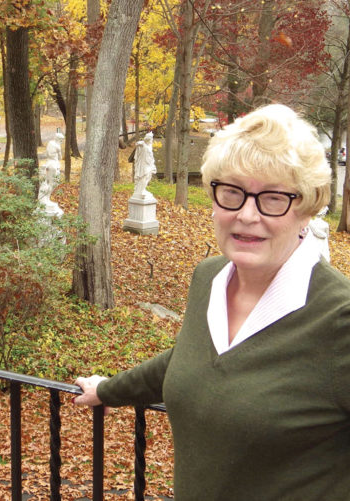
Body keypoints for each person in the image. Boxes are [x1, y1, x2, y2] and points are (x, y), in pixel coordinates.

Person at [74, 104, 350, 500]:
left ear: (306, 207)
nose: (247, 215)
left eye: (273, 198)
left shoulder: (339, 319)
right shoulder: (209, 278)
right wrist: (109, 390)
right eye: (232, 192)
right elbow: (190, 357)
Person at [133, 132, 157, 197]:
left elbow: (151, 156)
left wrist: (153, 163)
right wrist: (140, 143)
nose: (152, 140)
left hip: (149, 164)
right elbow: (138, 143)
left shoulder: (150, 146)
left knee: (148, 177)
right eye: (151, 139)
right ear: (148, 139)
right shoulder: (144, 145)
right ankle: (141, 190)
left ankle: (143, 189)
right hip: (144, 164)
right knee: (144, 176)